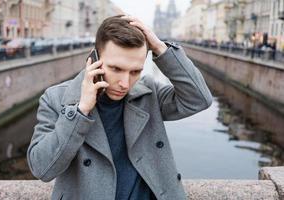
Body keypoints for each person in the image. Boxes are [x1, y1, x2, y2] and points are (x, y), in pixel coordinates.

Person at [27, 15, 213, 200]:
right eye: (116, 69)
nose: (125, 83)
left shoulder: (148, 94)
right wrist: (80, 111)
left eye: (135, 71)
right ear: (94, 59)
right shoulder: (56, 98)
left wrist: (160, 48)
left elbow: (199, 99)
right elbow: (42, 169)